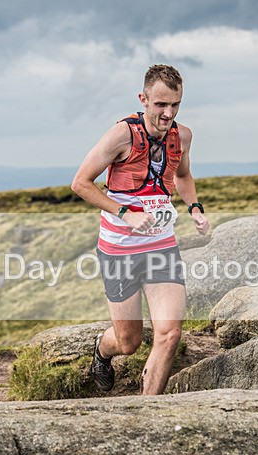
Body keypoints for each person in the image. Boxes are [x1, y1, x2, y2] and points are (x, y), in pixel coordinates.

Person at [71, 64, 209, 395]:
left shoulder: (183, 136)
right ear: (143, 99)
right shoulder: (121, 135)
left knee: (169, 334)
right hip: (119, 250)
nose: (168, 113)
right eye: (161, 104)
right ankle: (102, 352)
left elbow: (183, 176)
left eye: (175, 104)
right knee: (128, 341)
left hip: (161, 246)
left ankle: (149, 412)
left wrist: (194, 208)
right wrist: (125, 213)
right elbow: (80, 184)